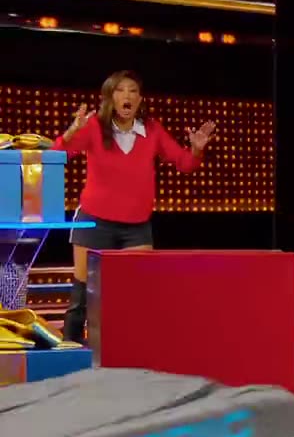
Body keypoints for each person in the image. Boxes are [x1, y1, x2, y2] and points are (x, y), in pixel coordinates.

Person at [55, 70, 216, 343]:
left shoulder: (152, 130)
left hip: (136, 227)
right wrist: (72, 131)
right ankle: (69, 353)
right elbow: (58, 155)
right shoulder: (94, 127)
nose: (126, 96)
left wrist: (197, 149)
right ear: (110, 97)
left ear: (140, 99)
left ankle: (124, 353)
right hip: (94, 222)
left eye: (132, 90)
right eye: (120, 90)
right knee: (82, 295)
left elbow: (185, 163)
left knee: (134, 294)